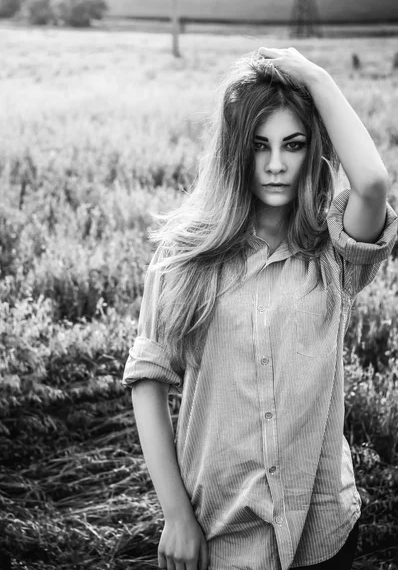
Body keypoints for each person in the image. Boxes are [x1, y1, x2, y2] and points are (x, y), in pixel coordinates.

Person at [122, 47, 398, 570]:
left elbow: (373, 184)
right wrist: (177, 516)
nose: (275, 165)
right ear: (234, 152)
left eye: (293, 146)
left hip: (323, 530)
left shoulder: (333, 252)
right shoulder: (186, 253)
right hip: (221, 531)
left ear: (312, 151)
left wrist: (313, 76)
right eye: (258, 145)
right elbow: (148, 380)